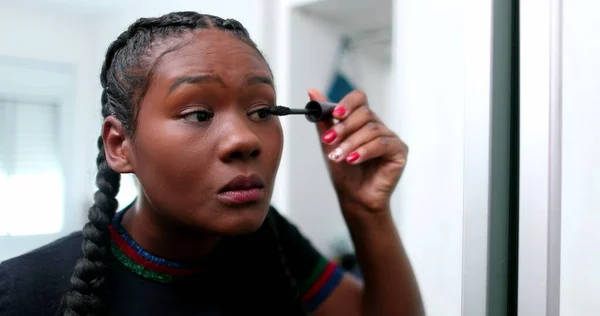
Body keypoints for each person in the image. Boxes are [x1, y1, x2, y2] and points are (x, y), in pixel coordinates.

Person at [0, 11, 423, 316]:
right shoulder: (20, 292)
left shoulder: (270, 240)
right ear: (119, 144)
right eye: (199, 114)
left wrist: (366, 210)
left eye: (261, 111)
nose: (245, 139)